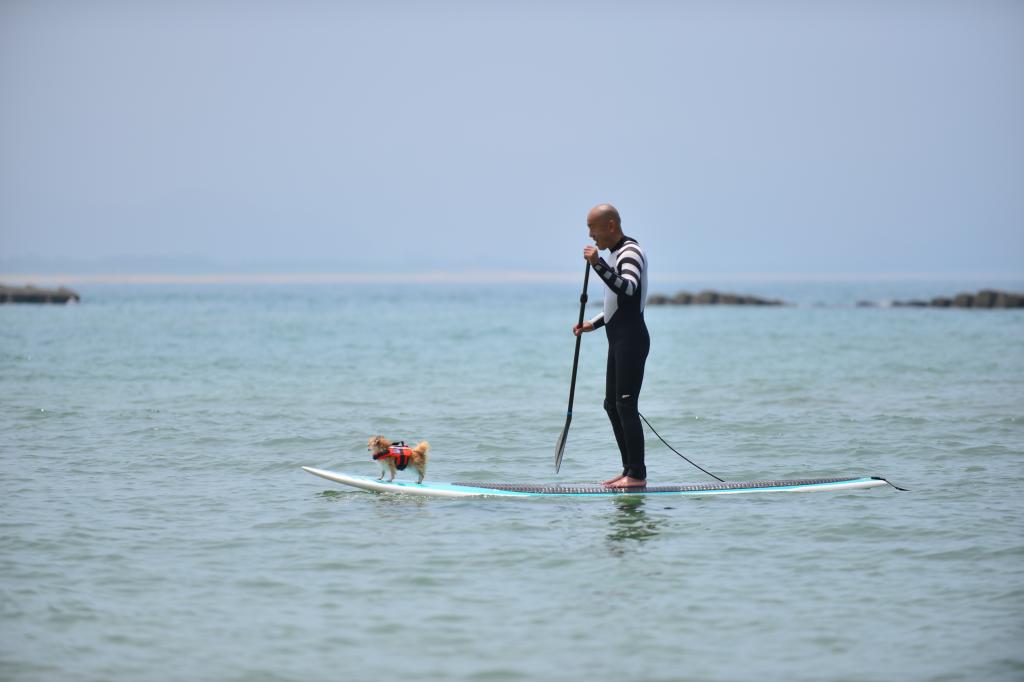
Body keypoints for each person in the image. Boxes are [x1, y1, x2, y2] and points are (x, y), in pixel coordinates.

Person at [572, 204, 650, 488]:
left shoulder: (631, 253)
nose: (591, 235)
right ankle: (628, 468)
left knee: (626, 406)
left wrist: (597, 265)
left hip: (632, 340)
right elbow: (617, 306)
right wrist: (593, 323)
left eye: (593, 228)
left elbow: (628, 289)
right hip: (618, 340)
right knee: (612, 405)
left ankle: (637, 475)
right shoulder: (615, 254)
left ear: (611, 226)